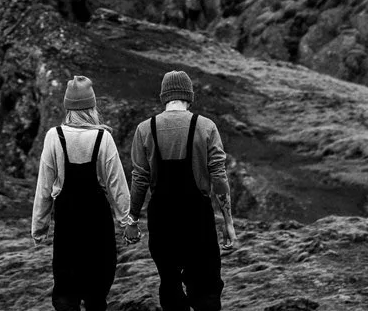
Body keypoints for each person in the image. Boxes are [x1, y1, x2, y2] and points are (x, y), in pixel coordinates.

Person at [127, 69, 235, 311]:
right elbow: (219, 176)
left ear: (164, 97)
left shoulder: (145, 129)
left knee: (170, 285)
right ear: (189, 97)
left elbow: (140, 179)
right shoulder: (205, 127)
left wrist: (131, 219)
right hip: (197, 218)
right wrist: (228, 223)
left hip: (162, 219)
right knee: (206, 287)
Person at [29, 75, 135, 311]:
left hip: (68, 222)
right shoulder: (103, 137)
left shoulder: (53, 136)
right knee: (97, 290)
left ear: (68, 106)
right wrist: (128, 221)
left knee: (66, 290)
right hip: (98, 222)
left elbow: (44, 187)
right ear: (92, 106)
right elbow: (117, 183)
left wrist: (39, 227)